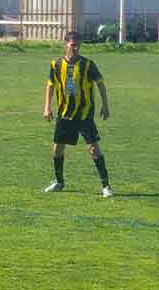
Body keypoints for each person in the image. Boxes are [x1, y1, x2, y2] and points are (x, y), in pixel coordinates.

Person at [42, 31, 113, 197]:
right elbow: (50, 85)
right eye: (73, 45)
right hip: (64, 114)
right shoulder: (56, 64)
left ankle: (106, 186)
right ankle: (59, 182)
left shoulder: (88, 65)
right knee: (57, 149)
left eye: (78, 45)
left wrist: (105, 105)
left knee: (94, 149)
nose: (75, 48)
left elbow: (100, 84)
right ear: (65, 44)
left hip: (84, 115)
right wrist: (47, 107)